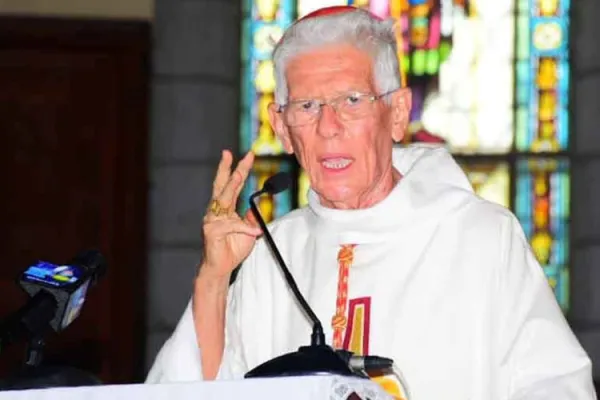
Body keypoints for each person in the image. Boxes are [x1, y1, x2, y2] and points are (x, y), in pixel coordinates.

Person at [146, 6, 596, 399]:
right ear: (281, 128)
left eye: (352, 101)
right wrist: (214, 279)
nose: (328, 127)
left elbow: (555, 386)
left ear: (397, 113)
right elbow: (201, 392)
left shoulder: (482, 238)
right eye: (306, 106)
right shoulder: (272, 252)